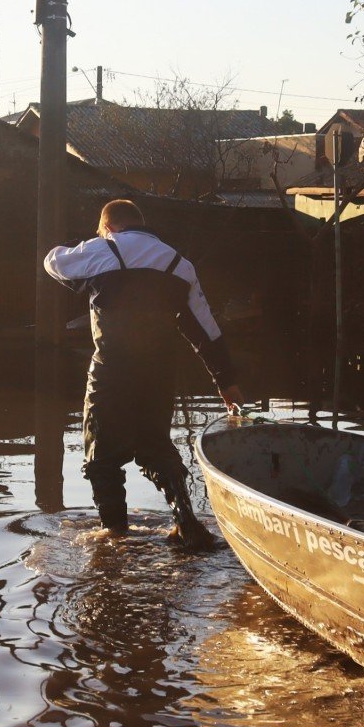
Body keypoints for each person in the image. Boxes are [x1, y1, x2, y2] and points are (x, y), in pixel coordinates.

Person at [44, 198, 243, 548]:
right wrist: (226, 383)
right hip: (157, 373)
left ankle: (114, 536)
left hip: (111, 372)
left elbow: (53, 262)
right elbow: (206, 330)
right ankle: (186, 522)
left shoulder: (102, 250)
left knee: (101, 456)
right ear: (141, 223)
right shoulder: (179, 265)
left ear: (109, 226)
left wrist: (91, 253)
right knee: (155, 446)